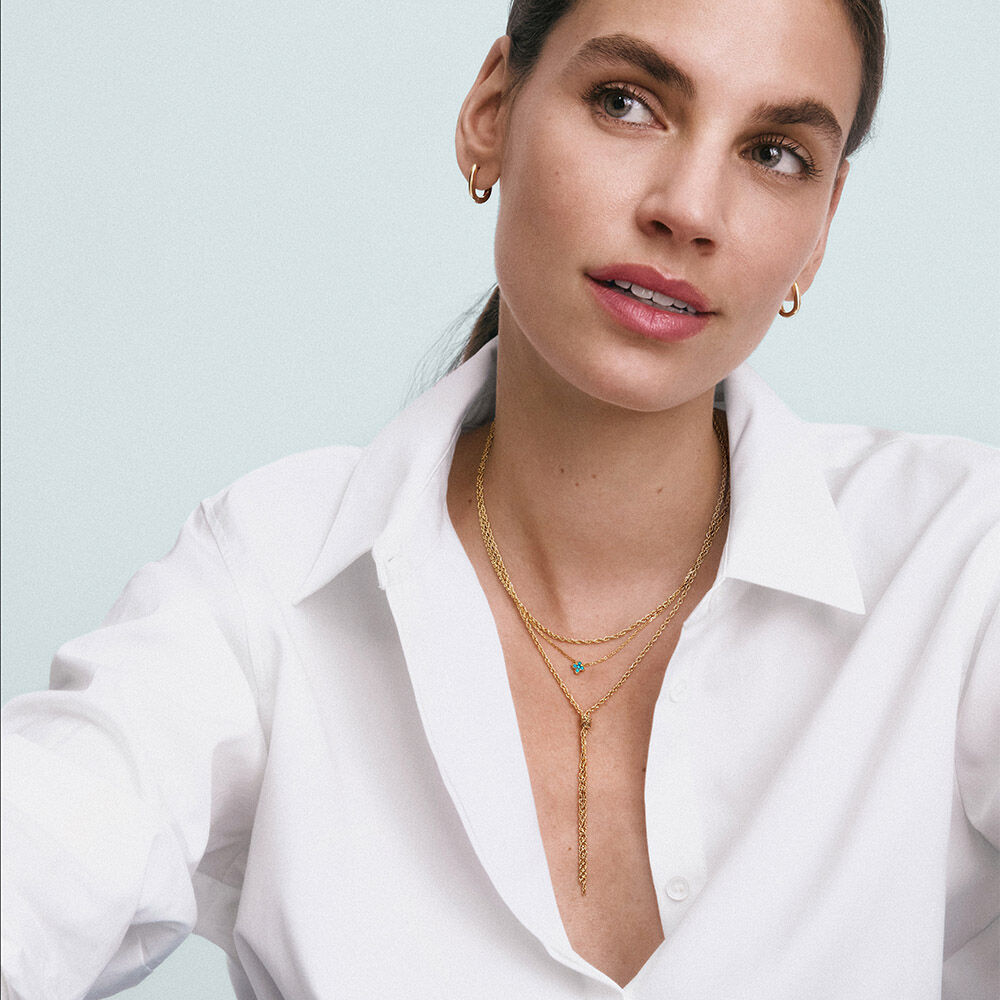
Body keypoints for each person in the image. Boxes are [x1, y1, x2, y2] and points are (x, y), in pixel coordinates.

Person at [2, 0, 997, 997]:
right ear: (491, 113)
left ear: (820, 229)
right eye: (627, 102)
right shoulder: (268, 581)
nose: (689, 209)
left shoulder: (958, 564)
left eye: (775, 154)